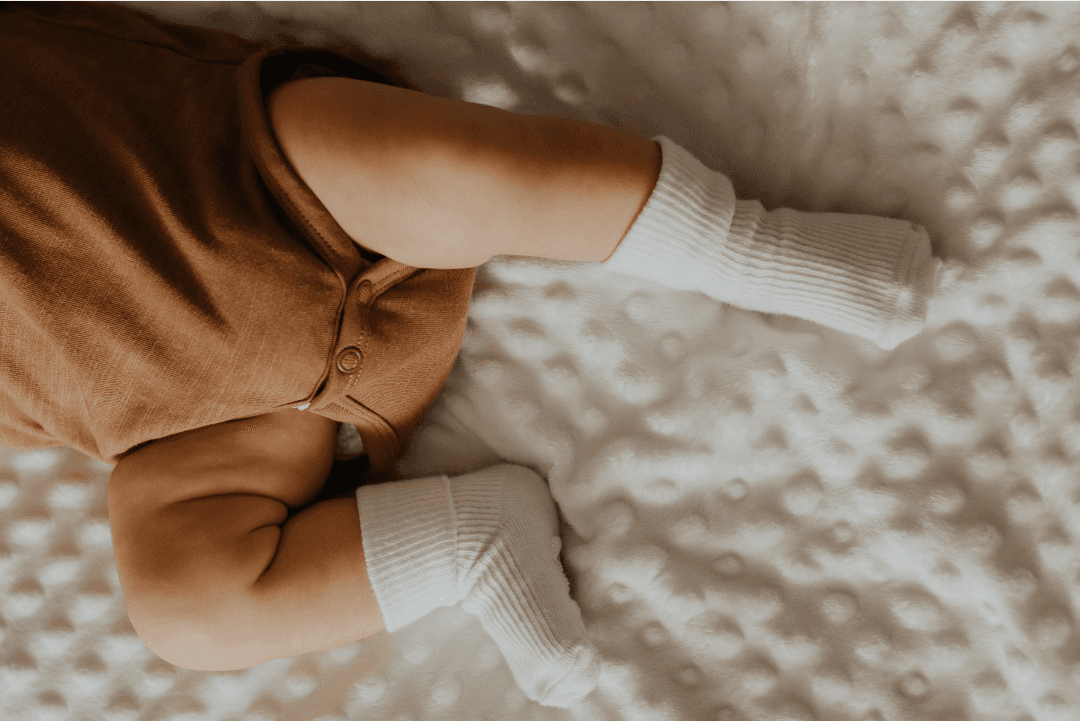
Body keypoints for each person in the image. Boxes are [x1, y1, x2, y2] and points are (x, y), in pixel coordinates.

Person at [1, 3, 940, 708]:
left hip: (260, 182)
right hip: (219, 418)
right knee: (187, 607)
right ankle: (465, 539)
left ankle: (737, 245)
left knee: (457, 171)